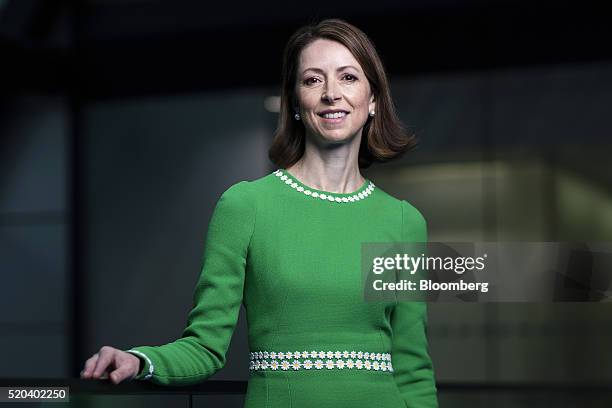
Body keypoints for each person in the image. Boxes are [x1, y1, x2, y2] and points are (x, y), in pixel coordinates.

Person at [81, 18, 438, 408]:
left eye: (348, 77)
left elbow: (412, 367)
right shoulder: (246, 206)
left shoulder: (403, 221)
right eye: (313, 80)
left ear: (372, 100)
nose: (331, 94)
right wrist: (140, 360)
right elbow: (206, 346)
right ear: (296, 103)